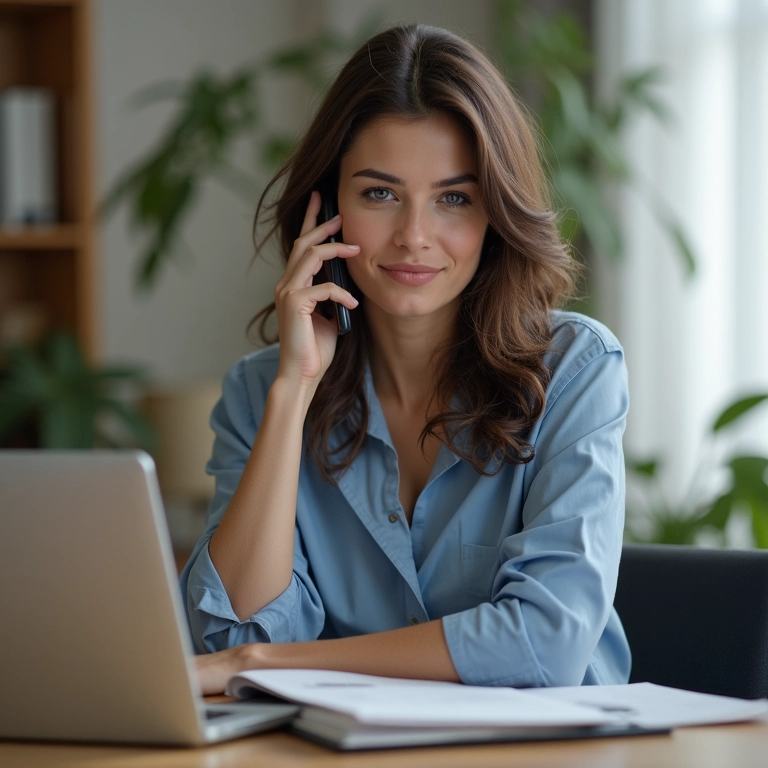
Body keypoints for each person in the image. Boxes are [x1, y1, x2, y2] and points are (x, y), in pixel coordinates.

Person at [180, 23, 631, 695]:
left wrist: (268, 667)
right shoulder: (258, 392)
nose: (414, 237)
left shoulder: (575, 368)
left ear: (494, 214)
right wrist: (292, 394)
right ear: (327, 209)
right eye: (380, 194)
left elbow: (544, 645)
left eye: (454, 198)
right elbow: (235, 636)